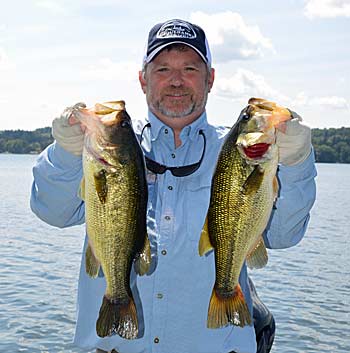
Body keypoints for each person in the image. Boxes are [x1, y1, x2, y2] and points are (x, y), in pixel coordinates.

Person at [30, 19, 317, 353]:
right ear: (143, 80)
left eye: (190, 68)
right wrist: (65, 150)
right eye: (163, 68)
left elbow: (284, 236)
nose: (177, 81)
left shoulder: (242, 150)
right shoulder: (110, 148)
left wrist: (296, 161)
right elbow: (52, 211)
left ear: (210, 79)